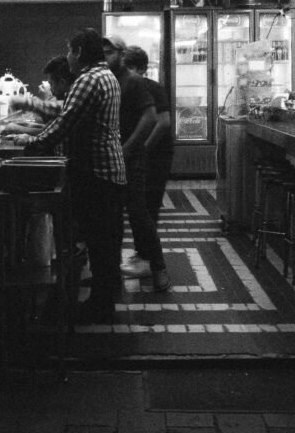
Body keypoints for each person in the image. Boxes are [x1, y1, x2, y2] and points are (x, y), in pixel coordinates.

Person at [10, 28, 126, 324]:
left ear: (80, 53)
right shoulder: (107, 76)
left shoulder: (88, 79)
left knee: (98, 240)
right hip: (109, 168)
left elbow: (65, 123)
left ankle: (100, 306)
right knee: (105, 240)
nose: (69, 57)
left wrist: (32, 142)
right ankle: (106, 299)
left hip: (97, 171)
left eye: (70, 51)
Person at [102, 35, 170, 292]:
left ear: (120, 54)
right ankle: (111, 273)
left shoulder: (134, 82)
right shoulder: (107, 81)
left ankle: (159, 267)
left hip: (131, 161)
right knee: (114, 217)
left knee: (139, 214)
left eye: (109, 52)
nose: (105, 57)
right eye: (102, 53)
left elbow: (155, 119)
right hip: (112, 159)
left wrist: (130, 149)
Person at [122, 45, 173, 232]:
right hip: (141, 154)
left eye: (130, 67)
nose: (128, 72)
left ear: (142, 69)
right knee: (137, 204)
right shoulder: (127, 87)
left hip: (157, 155)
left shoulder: (151, 87)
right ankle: (143, 250)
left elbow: (163, 122)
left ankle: (150, 253)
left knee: (148, 205)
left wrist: (142, 148)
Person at [5, 55, 75, 144]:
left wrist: (28, 103)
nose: (50, 88)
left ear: (62, 82)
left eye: (51, 84)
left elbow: (47, 132)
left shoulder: (72, 99)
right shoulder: (69, 97)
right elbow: (49, 126)